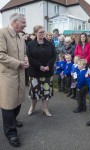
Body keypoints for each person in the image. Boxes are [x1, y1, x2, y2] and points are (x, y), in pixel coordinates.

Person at [0, 13, 28, 147]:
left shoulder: (20, 36)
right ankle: (11, 133)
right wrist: (19, 63)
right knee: (8, 105)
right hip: (8, 76)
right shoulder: (2, 33)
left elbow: (23, 53)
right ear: (15, 22)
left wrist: (25, 60)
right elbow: (0, 54)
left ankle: (13, 120)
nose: (25, 25)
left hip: (20, 74)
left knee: (18, 101)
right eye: (23, 23)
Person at [27, 25, 56, 117]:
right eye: (40, 32)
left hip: (47, 72)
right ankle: (32, 107)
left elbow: (54, 56)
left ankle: (45, 108)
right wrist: (40, 66)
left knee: (46, 91)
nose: (42, 34)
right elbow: (30, 58)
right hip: (35, 72)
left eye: (43, 32)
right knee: (34, 92)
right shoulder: (30, 44)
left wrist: (48, 66)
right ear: (35, 33)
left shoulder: (50, 43)